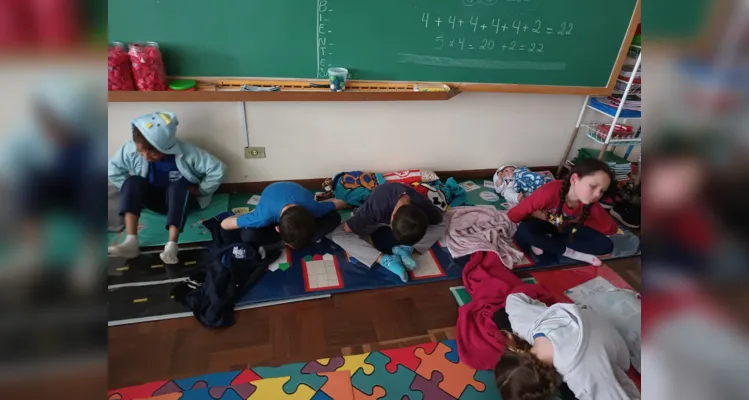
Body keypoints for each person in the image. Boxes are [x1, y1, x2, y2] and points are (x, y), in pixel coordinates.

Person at [108, 111, 226, 264]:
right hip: (154, 201)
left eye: (152, 153)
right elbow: (113, 171)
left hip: (182, 201)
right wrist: (131, 193)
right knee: (132, 182)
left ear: (166, 148)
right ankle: (131, 241)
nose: (145, 157)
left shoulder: (188, 152)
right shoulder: (130, 149)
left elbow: (218, 169)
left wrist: (202, 190)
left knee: (177, 186)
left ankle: (172, 245)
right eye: (140, 152)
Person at [494, 293, 640, 400]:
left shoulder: (584, 379)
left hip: (605, 349)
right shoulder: (523, 323)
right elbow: (514, 299)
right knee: (501, 316)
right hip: (579, 320)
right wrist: (542, 311)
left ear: (552, 386)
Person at [508, 159, 618, 266]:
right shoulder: (549, 192)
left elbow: (611, 228)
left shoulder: (591, 203)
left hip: (565, 230)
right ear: (574, 179)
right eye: (593, 186)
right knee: (524, 232)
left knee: (606, 245)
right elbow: (513, 215)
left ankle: (548, 243)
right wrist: (542, 216)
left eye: (602, 191)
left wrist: (582, 224)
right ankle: (574, 254)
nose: (597, 195)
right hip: (542, 223)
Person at [329, 182, 447, 282]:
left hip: (393, 213)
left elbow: (439, 220)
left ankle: (404, 249)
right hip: (375, 218)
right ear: (392, 216)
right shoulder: (375, 206)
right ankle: (386, 260)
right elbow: (347, 228)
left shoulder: (424, 207)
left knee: (444, 222)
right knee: (338, 234)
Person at [220, 182, 345, 249]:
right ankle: (284, 243)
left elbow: (339, 204)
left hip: (293, 197)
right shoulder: (261, 217)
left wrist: (356, 201)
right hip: (270, 205)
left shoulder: (314, 209)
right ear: (277, 228)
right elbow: (224, 224)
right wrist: (251, 215)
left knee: (334, 217)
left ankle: (285, 242)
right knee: (248, 235)